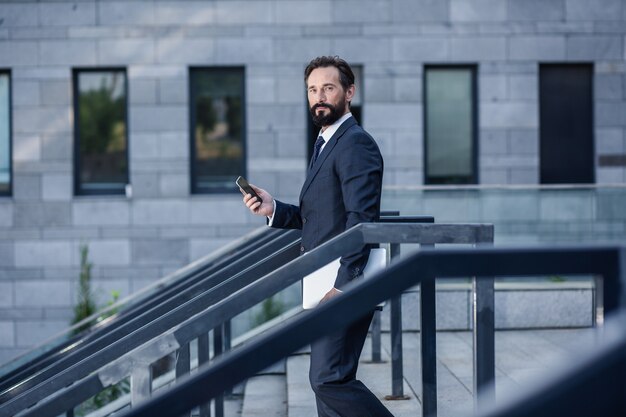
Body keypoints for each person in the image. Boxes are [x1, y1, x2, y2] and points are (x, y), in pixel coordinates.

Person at [241, 56, 393, 417]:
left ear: (349, 92)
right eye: (312, 89)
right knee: (327, 380)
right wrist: (273, 209)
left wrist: (342, 287)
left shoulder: (355, 143)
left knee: (329, 379)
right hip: (325, 275)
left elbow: (361, 221)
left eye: (328, 87)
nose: (319, 96)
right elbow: (322, 216)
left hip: (343, 281)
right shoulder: (327, 141)